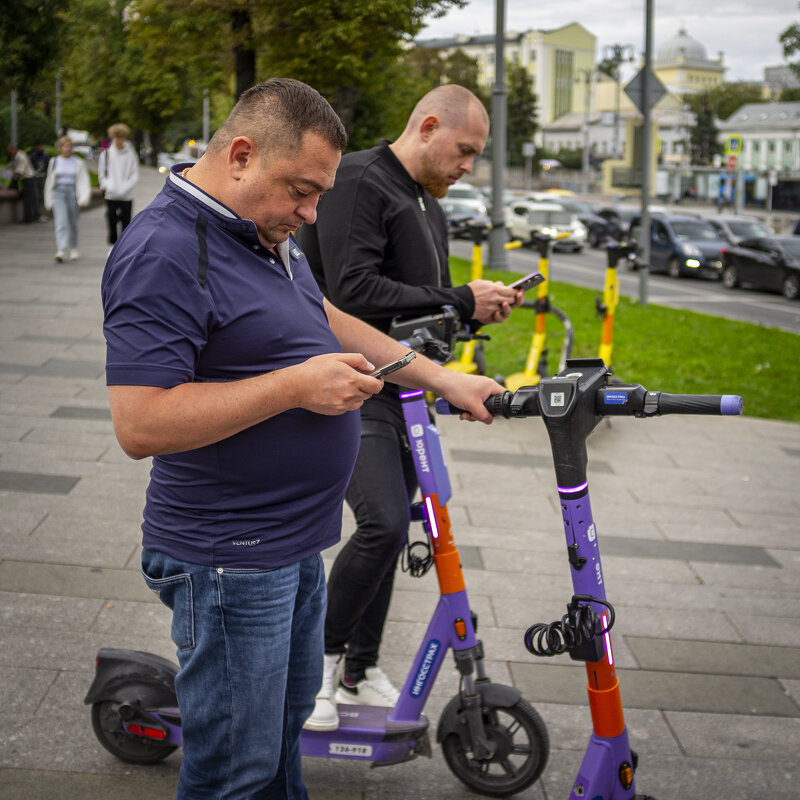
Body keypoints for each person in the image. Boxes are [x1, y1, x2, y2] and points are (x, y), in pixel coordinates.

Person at [101, 77, 503, 800]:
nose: (313, 212)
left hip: (290, 549)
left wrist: (440, 379)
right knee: (236, 775)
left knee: (279, 754)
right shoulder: (163, 249)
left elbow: (322, 312)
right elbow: (140, 423)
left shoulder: (258, 227)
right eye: (302, 191)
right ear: (243, 156)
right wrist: (294, 386)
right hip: (229, 560)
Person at [297, 84, 522, 731]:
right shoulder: (363, 181)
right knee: (382, 524)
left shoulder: (428, 204)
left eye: (476, 157)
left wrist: (466, 313)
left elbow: (418, 307)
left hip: (405, 393)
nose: (468, 167)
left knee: (396, 533)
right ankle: (313, 665)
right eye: (464, 151)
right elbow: (350, 290)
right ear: (427, 126)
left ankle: (358, 670)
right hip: (350, 384)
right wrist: (457, 297)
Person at [44, 136, 91, 262]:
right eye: (65, 146)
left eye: (70, 146)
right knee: (61, 222)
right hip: (58, 193)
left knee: (73, 223)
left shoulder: (78, 162)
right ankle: (62, 249)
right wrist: (48, 200)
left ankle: (74, 248)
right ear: (60, 148)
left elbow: (83, 180)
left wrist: (83, 198)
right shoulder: (54, 162)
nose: (68, 149)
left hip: (72, 192)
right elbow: (49, 181)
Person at [98, 123, 139, 249]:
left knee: (126, 221)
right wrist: (108, 186)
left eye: (120, 137)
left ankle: (123, 247)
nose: (117, 140)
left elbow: (134, 174)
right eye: (115, 137)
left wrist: (126, 187)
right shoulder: (106, 154)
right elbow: (102, 175)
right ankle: (112, 246)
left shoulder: (131, 155)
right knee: (111, 220)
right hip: (111, 194)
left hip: (126, 195)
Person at [6, 143, 38, 223]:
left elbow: (19, 171)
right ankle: (28, 217)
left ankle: (28, 218)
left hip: (29, 179)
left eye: (10, 151)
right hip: (25, 180)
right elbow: (11, 165)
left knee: (28, 200)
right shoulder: (17, 157)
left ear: (14, 150)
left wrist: (7, 177)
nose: (10, 153)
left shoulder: (21, 157)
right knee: (26, 199)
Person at [28, 140, 50, 221]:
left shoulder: (45, 155)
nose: (42, 147)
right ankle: (37, 215)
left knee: (41, 196)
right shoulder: (32, 155)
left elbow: (47, 166)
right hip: (35, 178)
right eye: (40, 145)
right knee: (36, 196)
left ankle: (39, 214)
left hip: (42, 177)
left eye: (42, 145)